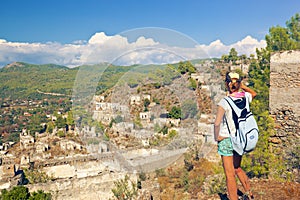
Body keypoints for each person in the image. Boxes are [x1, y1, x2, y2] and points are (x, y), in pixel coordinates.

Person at [214, 72, 256, 200]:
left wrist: (217, 137)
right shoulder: (246, 97)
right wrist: (241, 86)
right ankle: (249, 193)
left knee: (229, 174)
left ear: (226, 84)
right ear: (238, 84)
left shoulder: (224, 102)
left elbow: (217, 123)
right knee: (237, 167)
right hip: (240, 139)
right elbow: (254, 93)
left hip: (227, 139)